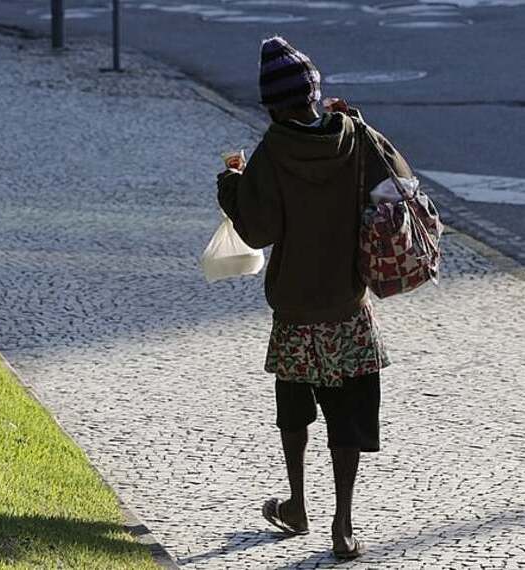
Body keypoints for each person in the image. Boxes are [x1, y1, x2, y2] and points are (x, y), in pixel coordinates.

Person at [216, 36, 413, 560]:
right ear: (314, 93)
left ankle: (298, 504)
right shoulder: (353, 135)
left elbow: (257, 232)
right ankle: (342, 524)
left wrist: (230, 186)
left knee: (295, 412)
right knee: (348, 414)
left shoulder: (273, 151)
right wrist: (364, 123)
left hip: (297, 309)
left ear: (273, 105)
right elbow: (400, 182)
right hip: (348, 305)